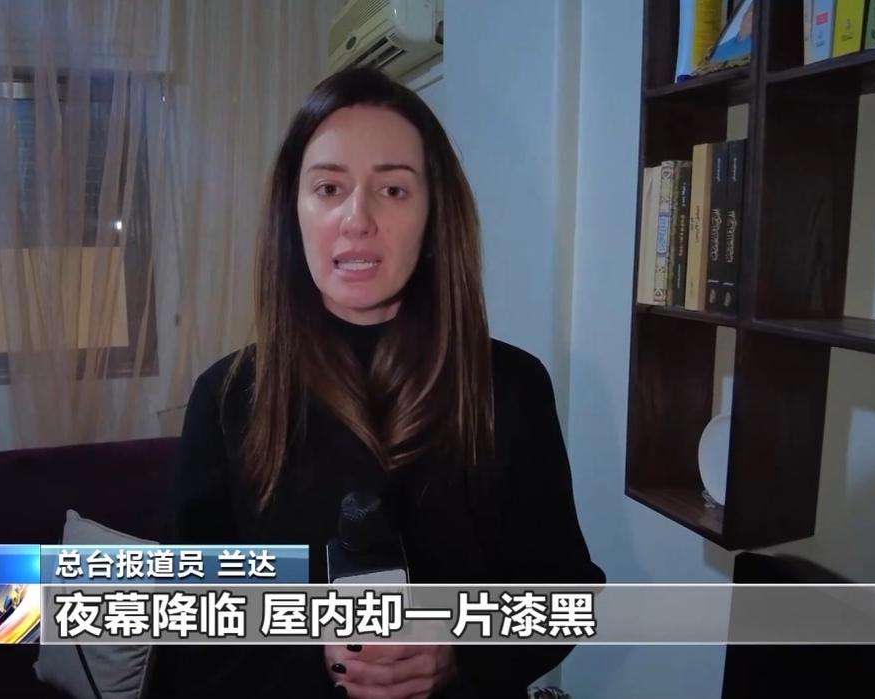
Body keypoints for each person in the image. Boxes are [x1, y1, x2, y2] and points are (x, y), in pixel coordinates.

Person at [149, 66, 604, 699]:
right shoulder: (228, 398)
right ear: (294, 213)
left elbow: (567, 596)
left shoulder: (514, 386)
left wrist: (462, 651)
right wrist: (313, 651)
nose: (356, 218)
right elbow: (185, 624)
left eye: (392, 189)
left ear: (433, 217)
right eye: (329, 187)